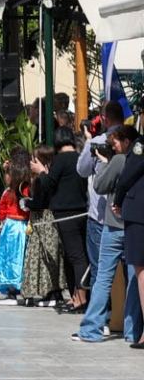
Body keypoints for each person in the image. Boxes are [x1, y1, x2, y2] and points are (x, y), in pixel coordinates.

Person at [75, 126, 143, 343]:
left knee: (103, 276)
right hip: (135, 224)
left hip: (114, 225)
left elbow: (100, 185)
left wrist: (104, 164)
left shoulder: (119, 161)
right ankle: (132, 331)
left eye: (115, 143)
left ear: (125, 141)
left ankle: (91, 328)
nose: (112, 146)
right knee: (134, 279)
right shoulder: (137, 158)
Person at [35, 127, 89, 313]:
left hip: (66, 214)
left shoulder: (60, 160)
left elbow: (48, 184)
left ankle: (80, 299)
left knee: (75, 256)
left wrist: (41, 171)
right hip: (82, 210)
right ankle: (78, 296)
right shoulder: (80, 157)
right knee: (77, 255)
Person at [77, 101, 126, 296]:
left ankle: (103, 318)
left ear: (104, 119)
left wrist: (89, 140)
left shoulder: (97, 142)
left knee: (101, 272)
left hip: (100, 217)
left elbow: (81, 170)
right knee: (132, 270)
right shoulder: (135, 140)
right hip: (128, 215)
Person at [21, 146, 68, 307]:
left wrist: (27, 203)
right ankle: (53, 291)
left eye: (34, 158)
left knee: (43, 255)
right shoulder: (49, 177)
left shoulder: (43, 179)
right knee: (49, 255)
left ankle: (52, 291)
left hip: (43, 220)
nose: (31, 162)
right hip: (46, 220)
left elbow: (40, 202)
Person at [112, 127, 144, 349]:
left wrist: (118, 198)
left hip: (140, 211)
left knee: (141, 272)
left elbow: (130, 171)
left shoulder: (141, 144)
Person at [0, 151, 30, 302]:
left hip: (12, 226)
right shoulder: (26, 187)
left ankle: (12, 290)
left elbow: (1, 209)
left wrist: (3, 219)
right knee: (19, 257)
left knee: (10, 258)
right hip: (22, 225)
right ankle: (18, 288)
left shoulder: (10, 191)